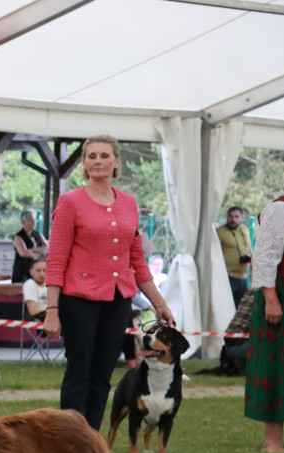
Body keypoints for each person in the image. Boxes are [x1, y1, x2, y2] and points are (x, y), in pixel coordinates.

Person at [42, 134, 174, 431]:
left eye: (104, 155)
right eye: (91, 156)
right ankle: (71, 441)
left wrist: (160, 304)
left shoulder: (128, 203)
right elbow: (56, 259)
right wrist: (52, 309)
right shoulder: (69, 202)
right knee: (80, 372)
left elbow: (138, 262)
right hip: (78, 300)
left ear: (117, 162)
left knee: (102, 374)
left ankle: (90, 440)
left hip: (118, 301)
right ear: (85, 164)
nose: (97, 161)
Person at [244, 160, 284, 453]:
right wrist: (271, 297)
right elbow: (264, 257)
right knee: (276, 363)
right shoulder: (283, 208)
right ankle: (272, 441)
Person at [216, 206, 252, 308]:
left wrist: (253, 270)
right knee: (225, 308)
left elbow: (250, 250)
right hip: (227, 277)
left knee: (240, 309)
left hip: (243, 277)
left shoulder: (245, 230)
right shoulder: (220, 232)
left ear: (242, 217)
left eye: (236, 217)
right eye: (230, 216)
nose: (233, 219)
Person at [11, 209, 48, 283]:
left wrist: (31, 250)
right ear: (23, 222)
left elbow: (47, 248)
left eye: (34, 220)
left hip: (37, 272)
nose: (34, 222)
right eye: (31, 220)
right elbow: (23, 253)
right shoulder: (18, 237)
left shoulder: (38, 235)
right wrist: (40, 253)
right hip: (22, 272)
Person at [21, 256, 47, 321]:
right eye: (38, 271)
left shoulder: (49, 284)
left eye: (44, 270)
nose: (42, 274)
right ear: (31, 272)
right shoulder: (30, 284)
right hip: (40, 316)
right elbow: (33, 311)